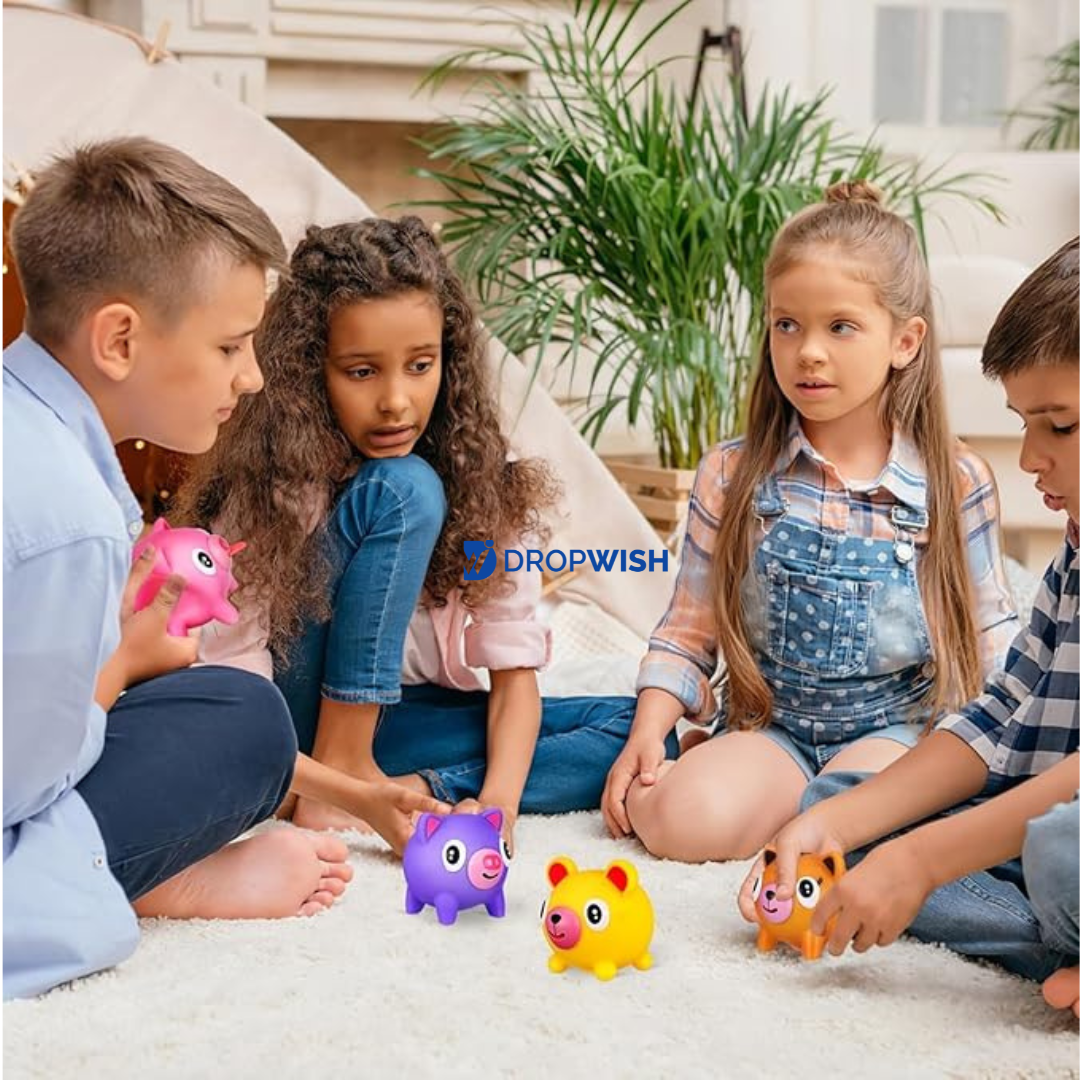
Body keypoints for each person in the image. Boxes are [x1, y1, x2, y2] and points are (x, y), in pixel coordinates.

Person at [2, 138, 440, 1000]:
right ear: (119, 339)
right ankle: (148, 882)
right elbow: (19, 786)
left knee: (235, 708)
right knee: (246, 726)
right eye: (232, 346)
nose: (252, 379)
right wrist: (123, 661)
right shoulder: (68, 521)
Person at [180, 217, 657, 855]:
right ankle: (338, 780)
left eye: (420, 365)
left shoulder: (484, 485)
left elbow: (513, 675)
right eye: (361, 372)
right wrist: (305, 774)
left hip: (403, 719)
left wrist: (498, 806)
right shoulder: (274, 483)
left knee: (640, 733)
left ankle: (408, 790)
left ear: (448, 361)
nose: (396, 401)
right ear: (311, 369)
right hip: (292, 722)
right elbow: (235, 674)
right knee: (404, 488)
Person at [601, 181, 1017, 862]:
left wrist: (994, 756)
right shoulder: (731, 473)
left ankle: (793, 810)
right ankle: (730, 780)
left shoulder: (956, 481)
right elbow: (687, 628)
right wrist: (649, 731)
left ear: (905, 341)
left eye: (840, 327)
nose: (808, 351)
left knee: (864, 824)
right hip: (773, 729)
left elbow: (993, 642)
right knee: (681, 821)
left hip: (894, 735)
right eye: (786, 325)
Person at [738, 236, 1079, 1018]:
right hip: (1037, 812)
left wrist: (922, 861)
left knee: (1060, 853)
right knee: (838, 804)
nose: (1030, 456)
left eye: (1059, 426)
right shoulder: (1075, 548)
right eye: (1024, 423)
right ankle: (1050, 944)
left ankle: (1041, 937)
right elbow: (997, 718)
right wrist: (836, 823)